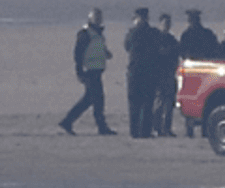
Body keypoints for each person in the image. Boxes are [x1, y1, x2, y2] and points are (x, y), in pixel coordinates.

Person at [60, 7, 115, 135]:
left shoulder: (98, 33)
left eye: (100, 17)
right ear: (90, 18)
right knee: (96, 99)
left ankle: (68, 122)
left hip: (97, 70)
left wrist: (106, 53)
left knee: (91, 99)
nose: (98, 19)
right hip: (88, 71)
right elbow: (78, 53)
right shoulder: (85, 33)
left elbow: (98, 48)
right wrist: (79, 71)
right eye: (96, 17)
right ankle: (100, 126)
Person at [178, 9, 220, 136]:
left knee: (201, 99)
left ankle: (199, 129)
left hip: (200, 71)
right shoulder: (189, 35)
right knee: (195, 99)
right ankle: (193, 129)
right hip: (195, 71)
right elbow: (182, 52)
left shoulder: (205, 34)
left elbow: (214, 50)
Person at [123, 8, 156, 138]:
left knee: (138, 103)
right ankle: (143, 131)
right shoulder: (151, 32)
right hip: (144, 71)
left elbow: (126, 46)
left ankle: (136, 131)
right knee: (144, 103)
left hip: (138, 71)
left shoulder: (134, 32)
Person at [153, 12, 181, 137]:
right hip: (159, 75)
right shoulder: (156, 38)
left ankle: (167, 128)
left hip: (170, 74)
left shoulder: (172, 39)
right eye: (165, 23)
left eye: (169, 23)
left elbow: (177, 55)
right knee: (159, 103)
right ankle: (157, 127)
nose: (167, 25)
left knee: (169, 104)